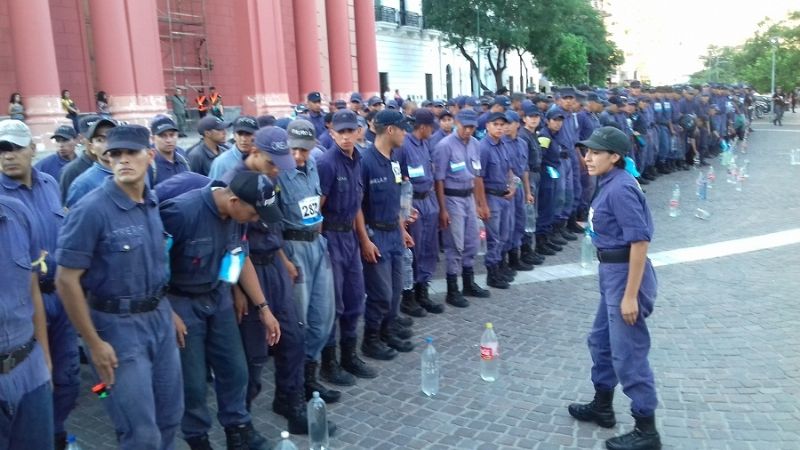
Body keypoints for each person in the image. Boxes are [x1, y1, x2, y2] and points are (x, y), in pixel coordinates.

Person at [55, 124, 183, 450]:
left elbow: (154, 267)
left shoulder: (150, 202)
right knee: (139, 431)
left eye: (131, 153)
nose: (123, 160)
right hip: (115, 330)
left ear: (149, 156)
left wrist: (167, 313)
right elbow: (66, 279)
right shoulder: (91, 209)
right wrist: (93, 342)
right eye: (115, 154)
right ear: (106, 158)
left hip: (158, 321)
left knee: (170, 416)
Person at [160, 170, 278, 449]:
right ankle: (197, 437)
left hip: (218, 296)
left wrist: (262, 307)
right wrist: (166, 312)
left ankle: (237, 428)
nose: (256, 220)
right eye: (253, 214)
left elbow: (239, 257)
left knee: (236, 369)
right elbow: (150, 268)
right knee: (193, 383)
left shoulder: (238, 217)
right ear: (234, 200)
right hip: (181, 302)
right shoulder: (180, 214)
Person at [568, 126, 661, 450]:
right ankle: (602, 405)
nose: (587, 157)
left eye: (595, 152)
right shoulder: (608, 182)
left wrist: (630, 295)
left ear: (615, 157)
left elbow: (640, 241)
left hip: (626, 276)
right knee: (600, 341)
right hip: (612, 272)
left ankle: (647, 430)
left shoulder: (621, 188)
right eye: (586, 151)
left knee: (628, 354)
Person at [2, 123, 81, 449]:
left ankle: (57, 431)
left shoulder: (50, 183)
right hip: (24, 303)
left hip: (59, 295)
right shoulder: (4, 202)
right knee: (38, 378)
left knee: (68, 377)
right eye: (2, 149)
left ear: (32, 148)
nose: (8, 156)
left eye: (16, 147)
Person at [276, 119, 339, 404]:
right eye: (293, 150)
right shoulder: (277, 174)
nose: (298, 156)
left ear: (313, 145)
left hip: (317, 243)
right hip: (293, 248)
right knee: (298, 320)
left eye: (303, 149)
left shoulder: (314, 164)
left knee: (323, 315)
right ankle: (295, 383)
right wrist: (283, 259)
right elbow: (269, 225)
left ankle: (311, 375)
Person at [0, 120, 54, 450]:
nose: (7, 156)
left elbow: (31, 284)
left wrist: (44, 358)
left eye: (14, 148)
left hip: (28, 366)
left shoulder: (17, 213)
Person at [316, 110, 377, 386]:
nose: (345, 136)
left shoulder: (358, 159)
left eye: (349, 131)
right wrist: (319, 248)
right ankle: (329, 363)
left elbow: (356, 206)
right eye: (340, 132)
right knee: (334, 302)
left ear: (358, 132)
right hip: (330, 237)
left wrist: (364, 239)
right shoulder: (328, 163)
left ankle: (349, 355)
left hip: (350, 237)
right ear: (331, 133)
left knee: (354, 298)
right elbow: (318, 209)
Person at [356, 110, 416, 360]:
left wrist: (402, 229)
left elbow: (394, 200)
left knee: (395, 291)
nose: (405, 134)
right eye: (402, 129)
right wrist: (364, 240)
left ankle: (386, 332)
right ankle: (370, 340)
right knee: (380, 293)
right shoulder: (365, 161)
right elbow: (356, 206)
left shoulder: (393, 158)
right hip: (375, 234)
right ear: (390, 130)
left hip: (393, 233)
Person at [432, 109, 489, 307]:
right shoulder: (444, 146)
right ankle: (452, 289)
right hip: (452, 198)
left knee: (472, 241)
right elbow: (438, 180)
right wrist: (442, 209)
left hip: (469, 197)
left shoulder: (475, 144)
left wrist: (481, 204)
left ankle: (468, 282)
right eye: (465, 126)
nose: (468, 130)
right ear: (457, 123)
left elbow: (477, 176)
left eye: (472, 127)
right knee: (455, 244)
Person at [396, 108, 445, 316]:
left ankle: (423, 291)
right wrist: (403, 211)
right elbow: (399, 180)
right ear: (423, 127)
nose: (433, 131)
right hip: (412, 203)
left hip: (428, 200)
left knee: (428, 248)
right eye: (431, 127)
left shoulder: (425, 144)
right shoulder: (404, 146)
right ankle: (409, 297)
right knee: (413, 251)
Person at [478, 111, 517, 289]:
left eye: (502, 125)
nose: (500, 128)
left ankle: (500, 266)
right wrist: (482, 204)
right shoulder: (483, 147)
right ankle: (492, 273)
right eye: (496, 125)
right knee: (493, 237)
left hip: (504, 195)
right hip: (491, 196)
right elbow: (478, 178)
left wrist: (512, 185)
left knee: (504, 234)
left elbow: (509, 169)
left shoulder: (503, 144)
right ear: (487, 126)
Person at [59, 115, 114, 205]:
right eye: (99, 139)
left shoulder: (122, 166)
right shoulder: (72, 171)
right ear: (81, 138)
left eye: (109, 137)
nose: (106, 144)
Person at [208, 116, 258, 180]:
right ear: (234, 136)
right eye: (240, 134)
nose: (243, 139)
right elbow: (213, 188)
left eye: (248, 134)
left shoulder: (262, 158)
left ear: (256, 136)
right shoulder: (221, 162)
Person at [148, 115, 190, 186]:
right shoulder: (148, 163)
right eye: (163, 136)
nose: (169, 140)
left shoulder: (182, 156)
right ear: (153, 139)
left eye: (172, 135)